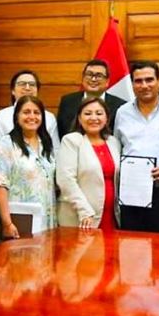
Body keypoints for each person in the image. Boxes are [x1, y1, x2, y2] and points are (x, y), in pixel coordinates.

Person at [114, 61, 159, 234]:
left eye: (149, 80)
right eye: (138, 81)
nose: (144, 85)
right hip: (131, 192)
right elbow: (117, 147)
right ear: (132, 84)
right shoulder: (122, 112)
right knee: (131, 243)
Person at [0, 95, 56, 238]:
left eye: (36, 112)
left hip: (46, 219)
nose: (32, 116)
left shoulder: (46, 143)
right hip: (19, 219)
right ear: (17, 117)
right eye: (26, 112)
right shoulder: (6, 144)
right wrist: (7, 223)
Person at [56, 97, 121, 230]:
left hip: (111, 216)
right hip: (82, 217)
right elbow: (66, 179)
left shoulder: (113, 142)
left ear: (107, 118)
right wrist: (84, 210)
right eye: (87, 113)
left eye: (99, 113)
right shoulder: (71, 141)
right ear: (79, 119)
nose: (93, 118)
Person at [0, 70, 59, 151]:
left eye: (32, 84)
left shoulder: (49, 117)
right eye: (22, 84)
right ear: (13, 90)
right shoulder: (0, 117)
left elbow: (55, 150)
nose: (27, 88)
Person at [56, 60, 126, 136]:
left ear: (107, 81)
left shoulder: (120, 105)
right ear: (83, 78)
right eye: (89, 74)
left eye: (99, 76)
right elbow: (61, 131)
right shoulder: (67, 101)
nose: (93, 79)